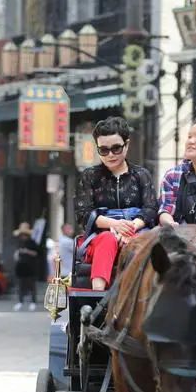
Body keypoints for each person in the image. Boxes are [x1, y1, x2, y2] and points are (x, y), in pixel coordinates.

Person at [75, 117, 158, 291]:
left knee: (138, 244)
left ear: (126, 145)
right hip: (101, 235)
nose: (110, 155)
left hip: (137, 230)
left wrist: (130, 228)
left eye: (116, 148)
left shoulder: (142, 175)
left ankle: (137, 296)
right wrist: (115, 225)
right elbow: (83, 213)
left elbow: (150, 209)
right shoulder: (90, 176)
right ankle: (98, 297)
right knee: (107, 239)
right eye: (103, 150)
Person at [13, 222, 39, 311]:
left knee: (31, 285)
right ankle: (20, 302)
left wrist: (27, 251)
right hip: (20, 266)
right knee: (20, 285)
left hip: (30, 266)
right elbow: (16, 252)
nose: (22, 236)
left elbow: (36, 253)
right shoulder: (19, 242)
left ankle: (33, 302)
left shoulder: (32, 242)